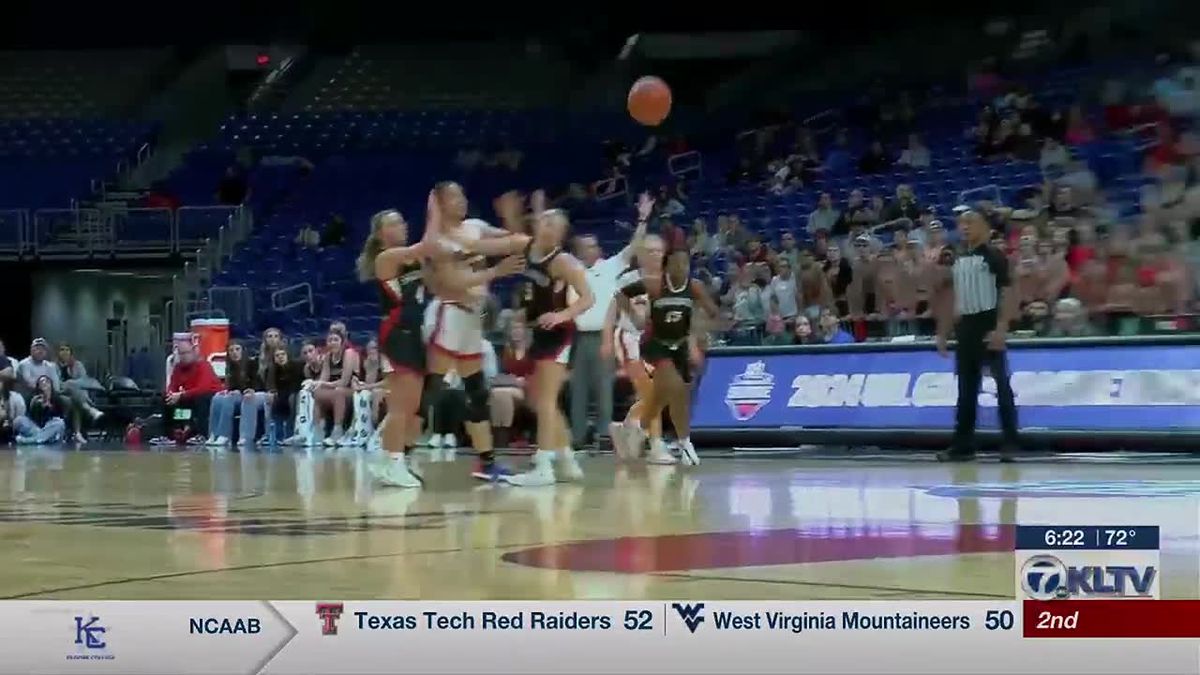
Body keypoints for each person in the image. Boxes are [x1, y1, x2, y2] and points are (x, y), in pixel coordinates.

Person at [454, 204, 596, 487]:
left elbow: (587, 298)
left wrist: (561, 314)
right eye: (546, 224)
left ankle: (544, 466)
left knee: (544, 401)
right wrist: (464, 241)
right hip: (537, 334)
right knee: (536, 400)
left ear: (562, 235)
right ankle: (566, 457)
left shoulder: (563, 262)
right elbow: (489, 245)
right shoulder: (523, 244)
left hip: (560, 334)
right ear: (537, 225)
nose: (549, 230)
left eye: (556, 228)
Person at [409, 186, 526, 482]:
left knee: (477, 393)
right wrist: (496, 273)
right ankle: (401, 456)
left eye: (463, 195)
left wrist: (511, 218)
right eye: (453, 197)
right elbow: (453, 281)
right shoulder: (437, 241)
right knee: (433, 389)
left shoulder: (475, 226)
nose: (461, 201)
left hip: (472, 321)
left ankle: (486, 464)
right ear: (438, 204)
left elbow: (517, 243)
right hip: (449, 313)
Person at [552, 193, 650, 453]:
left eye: (593, 246)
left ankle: (606, 436)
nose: (590, 249)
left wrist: (643, 218)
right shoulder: (570, 270)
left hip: (604, 336)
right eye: (586, 247)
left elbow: (633, 246)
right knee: (578, 388)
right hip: (577, 337)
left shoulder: (610, 267)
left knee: (604, 387)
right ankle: (578, 436)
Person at [612, 248, 720, 466]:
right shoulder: (654, 283)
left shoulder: (695, 287)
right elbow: (621, 294)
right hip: (655, 344)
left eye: (686, 264)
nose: (682, 268)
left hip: (679, 345)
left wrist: (700, 334)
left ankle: (641, 429)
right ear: (667, 265)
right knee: (675, 387)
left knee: (662, 396)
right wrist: (635, 316)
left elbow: (713, 313)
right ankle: (683, 443)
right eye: (677, 263)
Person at [934, 210, 1020, 462]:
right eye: (961, 223)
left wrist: (1001, 328)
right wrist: (943, 332)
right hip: (966, 327)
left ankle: (1011, 442)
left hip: (988, 322)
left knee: (1001, 386)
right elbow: (952, 297)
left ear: (985, 227)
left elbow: (1008, 293)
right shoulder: (958, 259)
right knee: (966, 388)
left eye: (971, 223)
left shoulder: (994, 256)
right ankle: (963, 444)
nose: (965, 227)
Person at [602, 235, 673, 464]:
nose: (655, 255)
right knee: (651, 393)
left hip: (654, 342)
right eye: (649, 250)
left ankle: (624, 427)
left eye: (658, 250)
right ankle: (656, 445)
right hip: (630, 340)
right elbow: (614, 312)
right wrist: (605, 340)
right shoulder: (629, 281)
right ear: (640, 255)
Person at [154, 338, 222, 445]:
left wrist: (181, 395)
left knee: (201, 398)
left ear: (193, 351)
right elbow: (172, 386)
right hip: (187, 400)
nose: (184, 356)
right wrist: (171, 395)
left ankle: (201, 435)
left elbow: (202, 388)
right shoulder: (178, 368)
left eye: (186, 353)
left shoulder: (203, 366)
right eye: (181, 353)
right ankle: (169, 435)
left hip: (205, 399)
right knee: (165, 399)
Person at [205, 341, 259, 447]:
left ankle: (224, 435)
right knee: (217, 397)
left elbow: (256, 382)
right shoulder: (230, 366)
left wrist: (242, 390)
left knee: (228, 399)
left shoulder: (252, 363)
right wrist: (227, 390)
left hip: (248, 393)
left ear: (243, 351)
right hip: (236, 394)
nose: (234, 353)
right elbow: (231, 385)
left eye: (237, 349)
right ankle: (213, 434)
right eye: (231, 350)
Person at [55, 343, 103, 443]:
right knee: (71, 386)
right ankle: (90, 409)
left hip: (76, 396)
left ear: (71, 353)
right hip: (60, 394)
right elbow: (57, 385)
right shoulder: (54, 366)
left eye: (67, 350)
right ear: (58, 353)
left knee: (75, 400)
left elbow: (84, 381)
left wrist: (72, 383)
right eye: (62, 350)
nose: (64, 352)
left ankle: (77, 433)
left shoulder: (78, 365)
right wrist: (71, 384)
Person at [14, 375, 67, 444]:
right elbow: (31, 417)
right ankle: (42, 438)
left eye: (47, 382)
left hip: (51, 427)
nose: (44, 383)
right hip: (35, 428)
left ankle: (30, 440)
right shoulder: (34, 398)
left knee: (59, 423)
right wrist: (37, 406)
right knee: (19, 419)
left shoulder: (57, 398)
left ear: (51, 385)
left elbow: (60, 417)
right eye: (41, 382)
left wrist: (49, 407)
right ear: (38, 386)